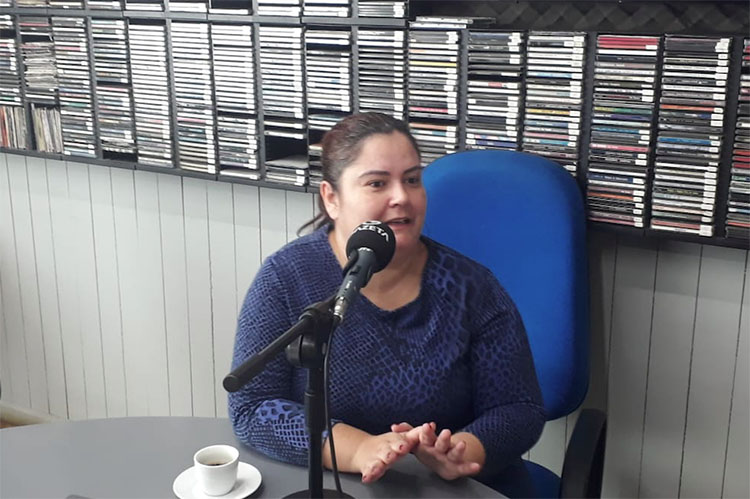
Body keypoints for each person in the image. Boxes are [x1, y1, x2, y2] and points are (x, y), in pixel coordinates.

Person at [228, 112, 546, 495]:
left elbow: (519, 408)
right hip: (335, 485)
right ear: (332, 198)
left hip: (456, 488)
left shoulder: (472, 287)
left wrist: (462, 450)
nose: (402, 197)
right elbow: (252, 405)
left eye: (412, 180)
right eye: (377, 183)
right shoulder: (287, 277)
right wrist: (357, 448)